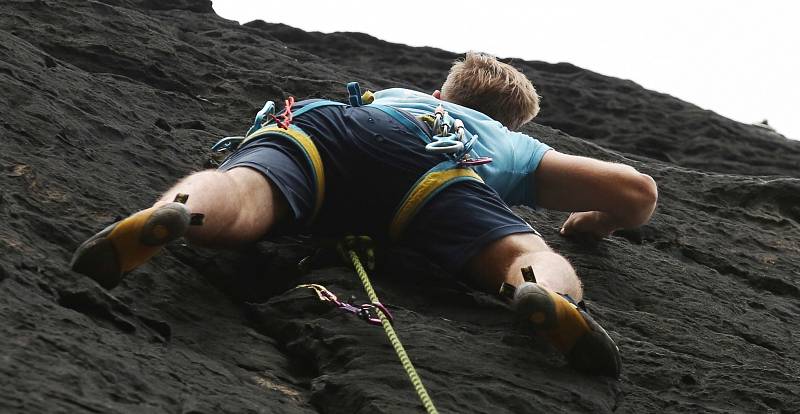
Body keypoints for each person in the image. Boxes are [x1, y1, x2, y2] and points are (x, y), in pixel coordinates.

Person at [71, 52, 657, 379]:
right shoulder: (511, 144)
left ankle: (177, 211)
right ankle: (538, 292)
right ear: (512, 119)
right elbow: (637, 193)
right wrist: (590, 223)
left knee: (245, 188)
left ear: (448, 87)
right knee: (525, 253)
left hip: (330, 126)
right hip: (434, 164)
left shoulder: (394, 93)